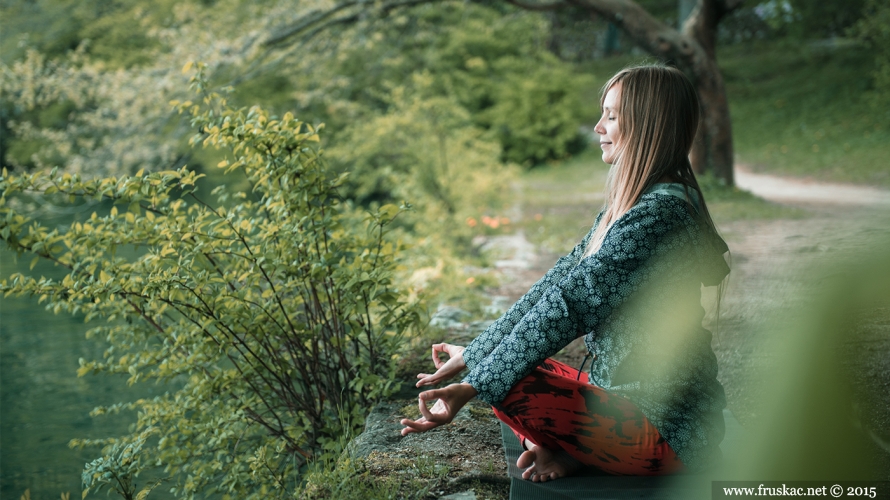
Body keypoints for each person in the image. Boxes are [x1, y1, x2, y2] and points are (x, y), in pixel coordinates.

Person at [400, 64, 730, 482]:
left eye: (611, 115)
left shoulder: (658, 217)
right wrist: (476, 352)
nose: (598, 126)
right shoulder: (632, 207)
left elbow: (569, 307)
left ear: (648, 124)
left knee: (508, 383)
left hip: (667, 429)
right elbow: (558, 283)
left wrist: (471, 386)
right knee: (509, 368)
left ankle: (573, 450)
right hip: (621, 399)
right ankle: (570, 449)